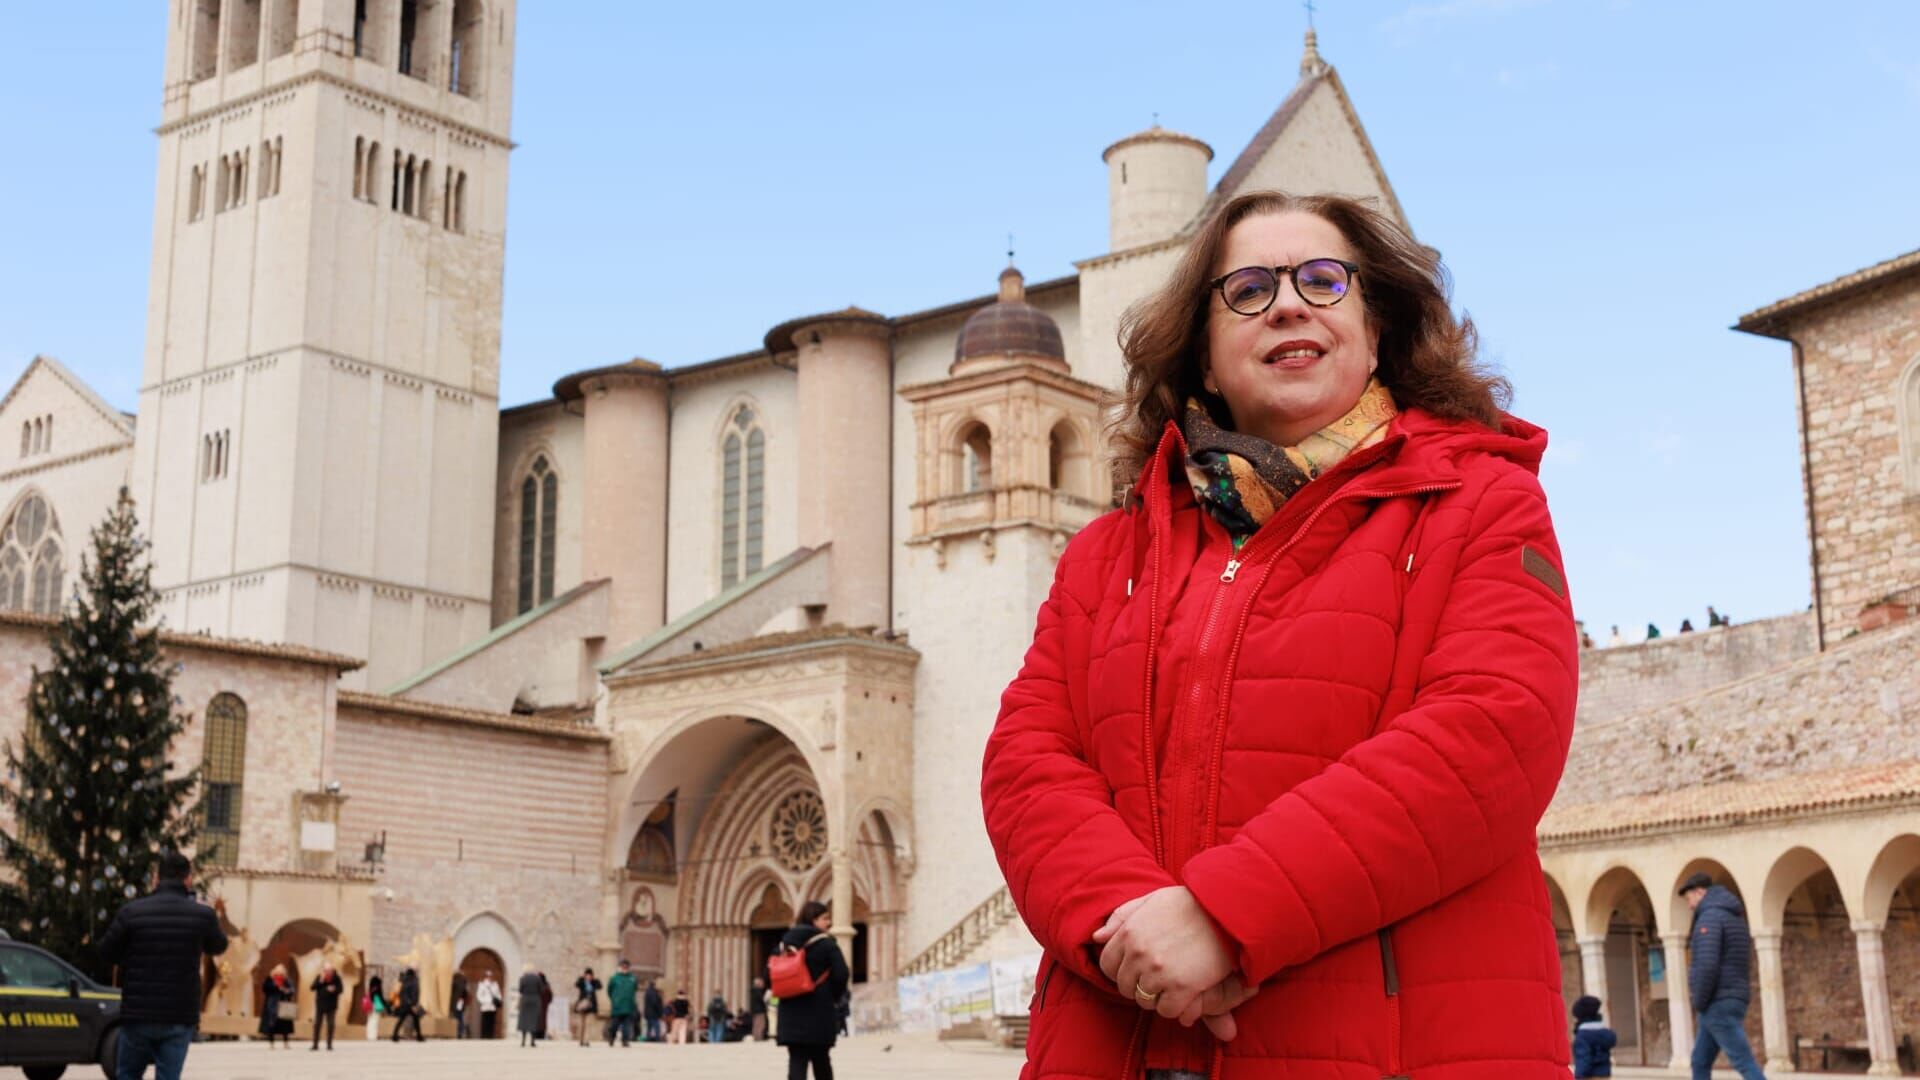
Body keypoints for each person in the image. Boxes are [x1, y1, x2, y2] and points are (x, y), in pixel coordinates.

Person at [980, 191, 1579, 1078]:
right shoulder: (1108, 554)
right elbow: (1028, 759)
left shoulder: (1482, 504)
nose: (1291, 302)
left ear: (1376, 334)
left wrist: (1225, 916)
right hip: (1119, 1039)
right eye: (1250, 289)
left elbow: (1491, 733)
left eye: (1325, 281)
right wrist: (1129, 926)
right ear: (1206, 358)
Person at [98, 850, 228, 1080]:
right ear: (188, 879)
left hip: (138, 1012)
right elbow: (218, 946)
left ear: (157, 878)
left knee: (127, 1074)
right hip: (179, 1014)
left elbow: (107, 951)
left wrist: (132, 957)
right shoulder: (202, 915)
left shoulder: (132, 912)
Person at [1682, 872, 1766, 1080]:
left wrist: (1699, 1001)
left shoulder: (1709, 918)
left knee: (1743, 1061)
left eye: (1689, 898)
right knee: (1699, 1061)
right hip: (1731, 997)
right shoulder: (1733, 917)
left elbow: (1707, 965)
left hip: (1717, 1001)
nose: (1689, 905)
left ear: (1700, 892)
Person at [775, 900, 849, 1080]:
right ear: (813, 920)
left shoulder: (784, 945)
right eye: (825, 918)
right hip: (819, 1012)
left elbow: (769, 974)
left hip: (791, 1012)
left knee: (796, 1060)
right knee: (821, 1060)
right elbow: (842, 974)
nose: (829, 923)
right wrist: (832, 996)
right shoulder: (827, 944)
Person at [1571, 995, 1616, 1078]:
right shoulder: (1604, 1032)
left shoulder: (1583, 1036)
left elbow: (1583, 1058)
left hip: (1589, 1076)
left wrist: (1578, 1076)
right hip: (1605, 1075)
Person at [259, 964, 295, 1047]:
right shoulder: (270, 979)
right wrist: (275, 986)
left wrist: (286, 990)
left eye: (281, 972)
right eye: (278, 972)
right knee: (272, 1023)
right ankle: (271, 1042)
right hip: (272, 1004)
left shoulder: (287, 980)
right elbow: (265, 988)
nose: (279, 974)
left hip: (283, 1004)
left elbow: (292, 990)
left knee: (285, 1024)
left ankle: (286, 1042)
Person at [310, 962, 343, 1051]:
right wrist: (320, 981)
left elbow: (341, 989)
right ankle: (315, 1044)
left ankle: (329, 1044)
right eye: (326, 970)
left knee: (331, 1025)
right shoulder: (320, 977)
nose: (328, 972)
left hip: (331, 1005)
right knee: (317, 1024)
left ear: (332, 971)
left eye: (329, 970)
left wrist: (334, 989)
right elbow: (312, 987)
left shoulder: (336, 978)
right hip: (320, 1005)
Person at [604, 959, 638, 1046]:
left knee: (627, 1025)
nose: (625, 968)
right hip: (617, 1006)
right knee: (614, 1024)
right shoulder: (614, 978)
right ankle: (611, 1037)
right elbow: (609, 990)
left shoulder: (632, 979)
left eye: (626, 967)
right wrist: (615, 999)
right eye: (623, 966)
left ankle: (625, 1040)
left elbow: (635, 990)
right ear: (620, 967)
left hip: (628, 1006)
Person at [390, 967, 425, 1041]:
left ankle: (394, 1035)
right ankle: (419, 1037)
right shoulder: (413, 982)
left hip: (404, 1004)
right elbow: (415, 993)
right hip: (410, 1005)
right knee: (415, 1020)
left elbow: (401, 994)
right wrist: (413, 1004)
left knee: (401, 1020)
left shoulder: (404, 982)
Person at [574, 966, 602, 1046]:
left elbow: (600, 986)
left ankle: (586, 1040)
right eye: (587, 975)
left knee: (588, 1024)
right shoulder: (582, 982)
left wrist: (594, 980)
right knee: (582, 1024)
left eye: (590, 975)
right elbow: (576, 984)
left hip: (591, 1005)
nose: (588, 976)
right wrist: (582, 978)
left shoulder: (594, 982)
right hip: (582, 1004)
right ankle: (581, 1040)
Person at [517, 964, 544, 1047]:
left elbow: (520, 990)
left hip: (525, 999)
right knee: (534, 1020)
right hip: (535, 999)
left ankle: (523, 1041)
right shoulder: (537, 978)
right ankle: (532, 1041)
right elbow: (541, 989)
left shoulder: (522, 978)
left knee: (524, 1020)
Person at [475, 970, 502, 1038]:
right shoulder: (482, 984)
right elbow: (479, 995)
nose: (489, 977)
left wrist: (498, 1000)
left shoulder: (495, 984)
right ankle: (484, 1035)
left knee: (492, 1021)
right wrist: (484, 1001)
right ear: (486, 976)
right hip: (485, 1006)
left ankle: (490, 1035)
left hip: (493, 1006)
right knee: (485, 1021)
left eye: (490, 976)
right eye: (488, 976)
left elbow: (498, 994)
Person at [450, 971, 470, 1039]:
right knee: (459, 1016)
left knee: (457, 1016)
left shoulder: (457, 981)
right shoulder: (463, 982)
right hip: (460, 1002)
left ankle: (458, 1032)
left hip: (456, 1002)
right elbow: (465, 993)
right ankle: (460, 1032)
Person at [749, 975, 769, 1041]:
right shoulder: (758, 991)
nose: (762, 984)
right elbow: (762, 1000)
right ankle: (759, 1037)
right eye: (760, 983)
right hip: (760, 1010)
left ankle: (756, 1037)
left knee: (756, 1024)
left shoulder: (753, 990)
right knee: (760, 1024)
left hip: (755, 1010)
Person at [535, 969, 554, 1040]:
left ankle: (538, 1034)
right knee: (542, 1021)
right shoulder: (547, 986)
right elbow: (551, 997)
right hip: (544, 1006)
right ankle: (541, 1034)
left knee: (539, 1020)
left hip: (540, 1005)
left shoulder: (539, 986)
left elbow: (550, 996)